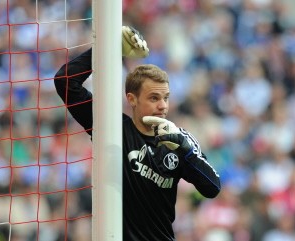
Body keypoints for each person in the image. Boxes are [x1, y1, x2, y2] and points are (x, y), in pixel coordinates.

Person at [54, 26, 221, 241]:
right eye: (154, 98)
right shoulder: (112, 128)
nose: (163, 106)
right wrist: (110, 49)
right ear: (132, 99)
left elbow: (212, 188)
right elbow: (65, 81)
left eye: (166, 98)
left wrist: (185, 150)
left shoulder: (180, 141)